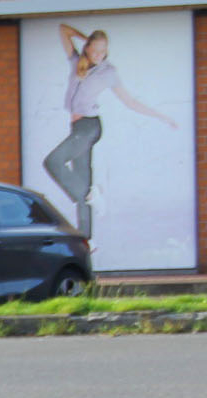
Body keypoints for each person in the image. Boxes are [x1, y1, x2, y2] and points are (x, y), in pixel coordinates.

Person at [40, 25, 177, 239]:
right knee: (82, 187)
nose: (98, 56)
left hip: (89, 127)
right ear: (86, 49)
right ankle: (86, 240)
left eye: (102, 52)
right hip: (77, 126)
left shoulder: (108, 72)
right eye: (94, 51)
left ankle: (90, 194)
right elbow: (62, 30)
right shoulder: (77, 62)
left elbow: (130, 101)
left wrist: (162, 116)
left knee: (53, 162)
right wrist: (86, 38)